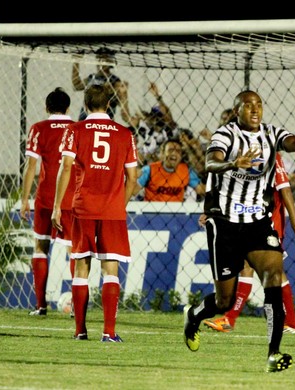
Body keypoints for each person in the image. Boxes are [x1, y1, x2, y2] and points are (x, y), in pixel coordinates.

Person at [183, 90, 295, 373]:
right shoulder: (225, 135)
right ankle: (194, 315)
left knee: (273, 276)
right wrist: (233, 163)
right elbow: (211, 162)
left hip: (258, 220)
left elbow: (292, 142)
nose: (255, 109)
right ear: (237, 111)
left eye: (258, 104)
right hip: (225, 223)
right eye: (248, 106)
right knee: (224, 301)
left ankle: (273, 354)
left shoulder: (271, 133)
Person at [51, 84, 138, 342]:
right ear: (109, 104)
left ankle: (80, 331)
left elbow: (66, 167)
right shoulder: (124, 133)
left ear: (86, 105)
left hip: (82, 208)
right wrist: (118, 205)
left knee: (81, 268)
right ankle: (109, 333)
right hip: (112, 211)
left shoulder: (75, 130)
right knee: (111, 270)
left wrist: (58, 206)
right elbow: (132, 178)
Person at [202, 153, 295, 334]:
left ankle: (288, 321)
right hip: (246, 217)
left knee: (269, 269)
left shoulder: (271, 152)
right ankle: (232, 319)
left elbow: (285, 189)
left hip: (268, 217)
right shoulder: (238, 150)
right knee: (248, 265)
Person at [20, 87, 76, 316]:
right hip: (72, 198)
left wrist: (24, 199)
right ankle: (76, 308)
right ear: (68, 107)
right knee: (76, 251)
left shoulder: (38, 129)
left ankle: (40, 305)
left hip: (44, 199)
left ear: (47, 107)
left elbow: (31, 166)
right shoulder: (77, 129)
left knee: (41, 248)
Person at [131, 138, 205, 202]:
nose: (174, 153)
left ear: (181, 156)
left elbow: (200, 190)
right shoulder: (149, 170)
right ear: (163, 153)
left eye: (178, 151)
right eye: (170, 150)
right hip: (151, 212)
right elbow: (133, 192)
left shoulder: (186, 171)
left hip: (176, 212)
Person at [72, 47, 129, 122]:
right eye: (98, 58)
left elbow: (121, 104)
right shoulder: (92, 77)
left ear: (109, 61)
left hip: (104, 121)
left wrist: (122, 93)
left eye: (103, 59)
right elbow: (76, 85)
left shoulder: (115, 80)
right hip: (85, 119)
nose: (100, 61)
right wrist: (76, 61)